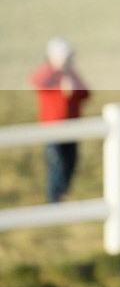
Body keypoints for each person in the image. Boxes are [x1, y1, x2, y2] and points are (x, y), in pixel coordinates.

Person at [30, 37, 90, 203]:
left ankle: (63, 194)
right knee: (56, 164)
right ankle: (54, 200)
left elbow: (85, 93)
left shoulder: (72, 74)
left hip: (71, 128)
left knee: (70, 162)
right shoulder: (48, 74)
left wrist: (71, 81)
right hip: (53, 128)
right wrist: (55, 69)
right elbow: (35, 81)